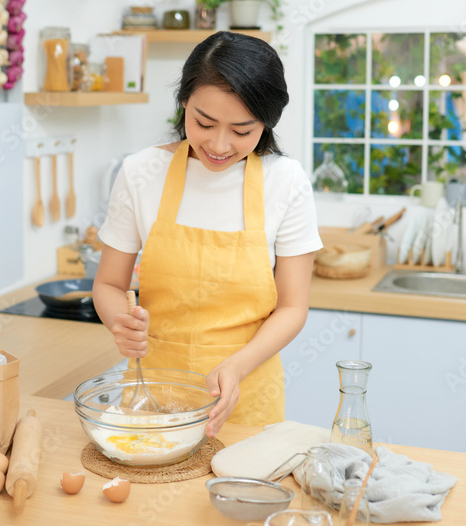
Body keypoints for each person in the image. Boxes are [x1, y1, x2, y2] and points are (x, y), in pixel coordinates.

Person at [93, 31, 322, 436]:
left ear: (266, 123)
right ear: (184, 101)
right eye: (204, 122)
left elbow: (292, 307)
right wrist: (118, 322)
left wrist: (236, 365)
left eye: (241, 130)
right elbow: (109, 284)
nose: (218, 144)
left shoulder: (285, 182)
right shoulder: (142, 172)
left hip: (247, 395)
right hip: (154, 396)